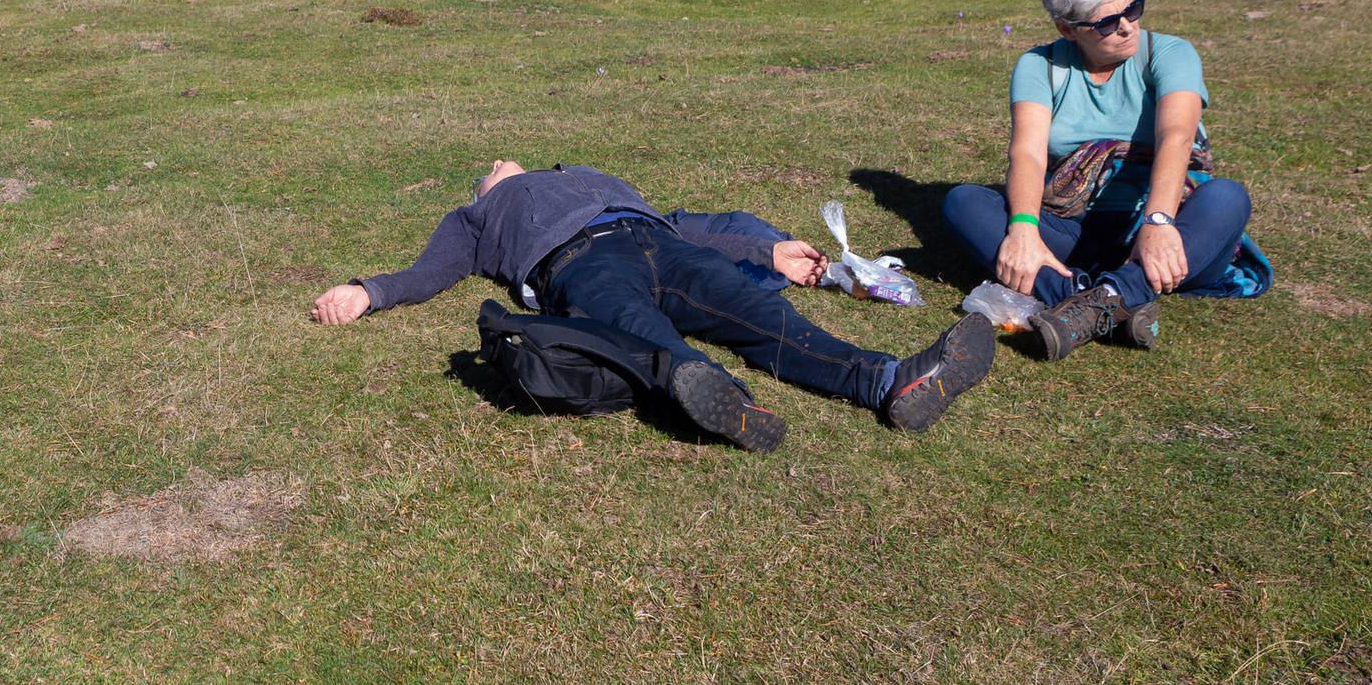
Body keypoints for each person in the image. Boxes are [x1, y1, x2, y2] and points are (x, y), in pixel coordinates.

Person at [310, 160, 994, 451]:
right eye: (490, 168)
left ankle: (886, 382)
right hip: (576, 265)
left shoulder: (586, 176)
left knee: (763, 318)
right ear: (485, 185)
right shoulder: (476, 215)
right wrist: (365, 292)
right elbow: (429, 272)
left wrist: (766, 253)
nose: (498, 163)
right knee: (636, 330)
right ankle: (726, 404)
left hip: (657, 242)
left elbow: (684, 225)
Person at [939, 0, 1266, 362]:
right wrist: (1024, 228)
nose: (1127, 26)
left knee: (1226, 197)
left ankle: (1102, 299)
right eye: (1107, 22)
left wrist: (1159, 222)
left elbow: (1176, 138)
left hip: (1162, 230)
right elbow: (1027, 152)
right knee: (965, 202)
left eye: (1132, 8)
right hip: (1076, 227)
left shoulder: (1170, 53)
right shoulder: (1041, 66)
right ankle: (1096, 300)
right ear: (1067, 29)